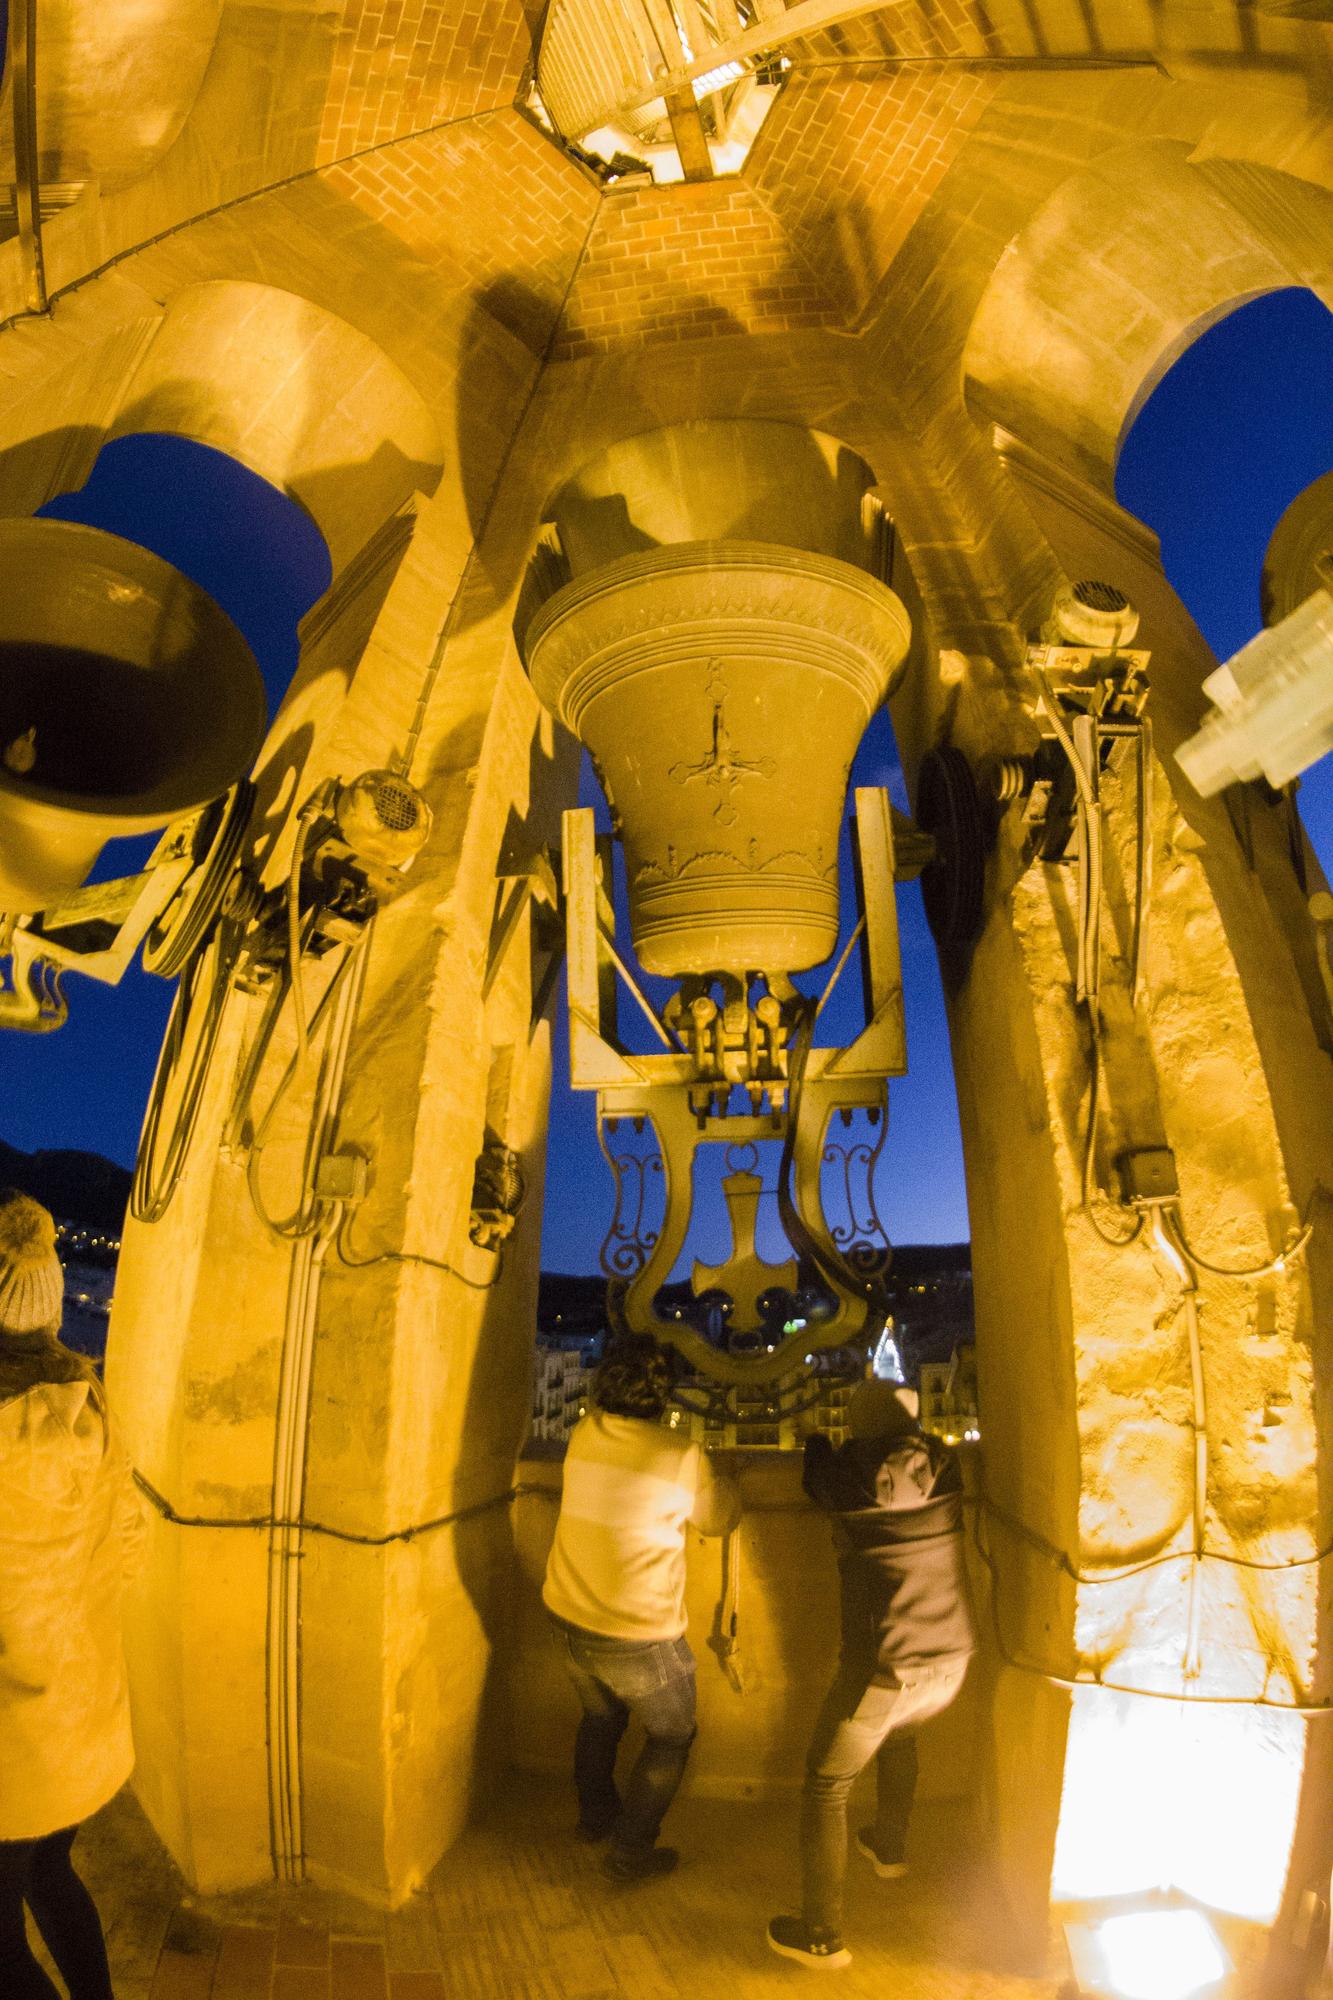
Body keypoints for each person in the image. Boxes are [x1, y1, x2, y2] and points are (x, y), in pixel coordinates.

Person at [768, 1378, 976, 1971]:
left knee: (826, 1786)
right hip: (952, 1660)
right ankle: (889, 1845)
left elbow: (816, 1472)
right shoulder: (949, 1467)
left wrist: (813, 1437)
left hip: (884, 1671)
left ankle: (821, 1935)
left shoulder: (848, 1478)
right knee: (901, 1736)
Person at [0, 1192, 145, 2000]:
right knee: (53, 1875)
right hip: (78, 1723)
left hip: (11, 1744)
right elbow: (128, 1552)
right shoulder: (94, 1411)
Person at [543, 1333, 741, 1881]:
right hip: (637, 1636)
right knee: (672, 1735)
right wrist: (727, 1480)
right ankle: (630, 1852)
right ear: (662, 1392)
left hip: (567, 1616)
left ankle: (594, 1819)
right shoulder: (679, 1455)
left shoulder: (584, 1432)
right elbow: (717, 1520)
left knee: (600, 1719)